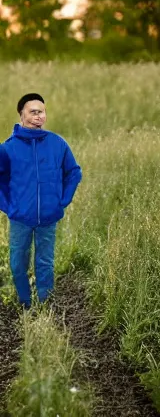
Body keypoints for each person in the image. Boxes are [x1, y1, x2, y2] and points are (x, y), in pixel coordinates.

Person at [0, 93, 82, 309]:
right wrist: (8, 206)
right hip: (20, 218)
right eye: (33, 111)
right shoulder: (7, 148)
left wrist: (61, 201)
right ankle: (25, 304)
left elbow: (74, 173)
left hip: (48, 216)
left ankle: (45, 304)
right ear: (22, 114)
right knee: (18, 263)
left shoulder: (57, 144)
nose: (38, 116)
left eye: (42, 111)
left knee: (45, 262)